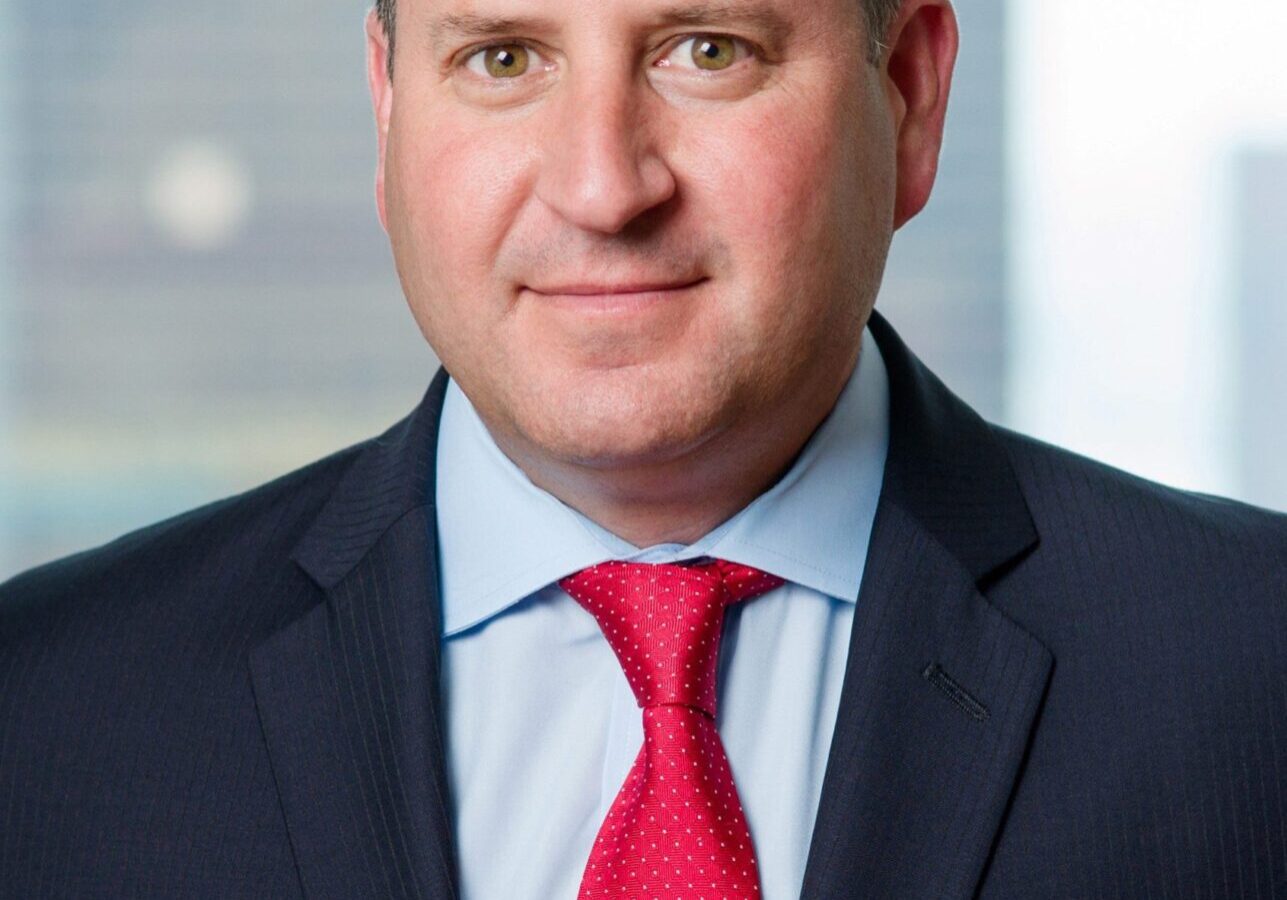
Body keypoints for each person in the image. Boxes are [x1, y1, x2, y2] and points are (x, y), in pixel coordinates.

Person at [1, 0, 1284, 896]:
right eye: (504, 59)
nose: (604, 188)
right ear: (388, 111)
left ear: (911, 93)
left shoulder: (1248, 669)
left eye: (706, 49)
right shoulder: (48, 712)